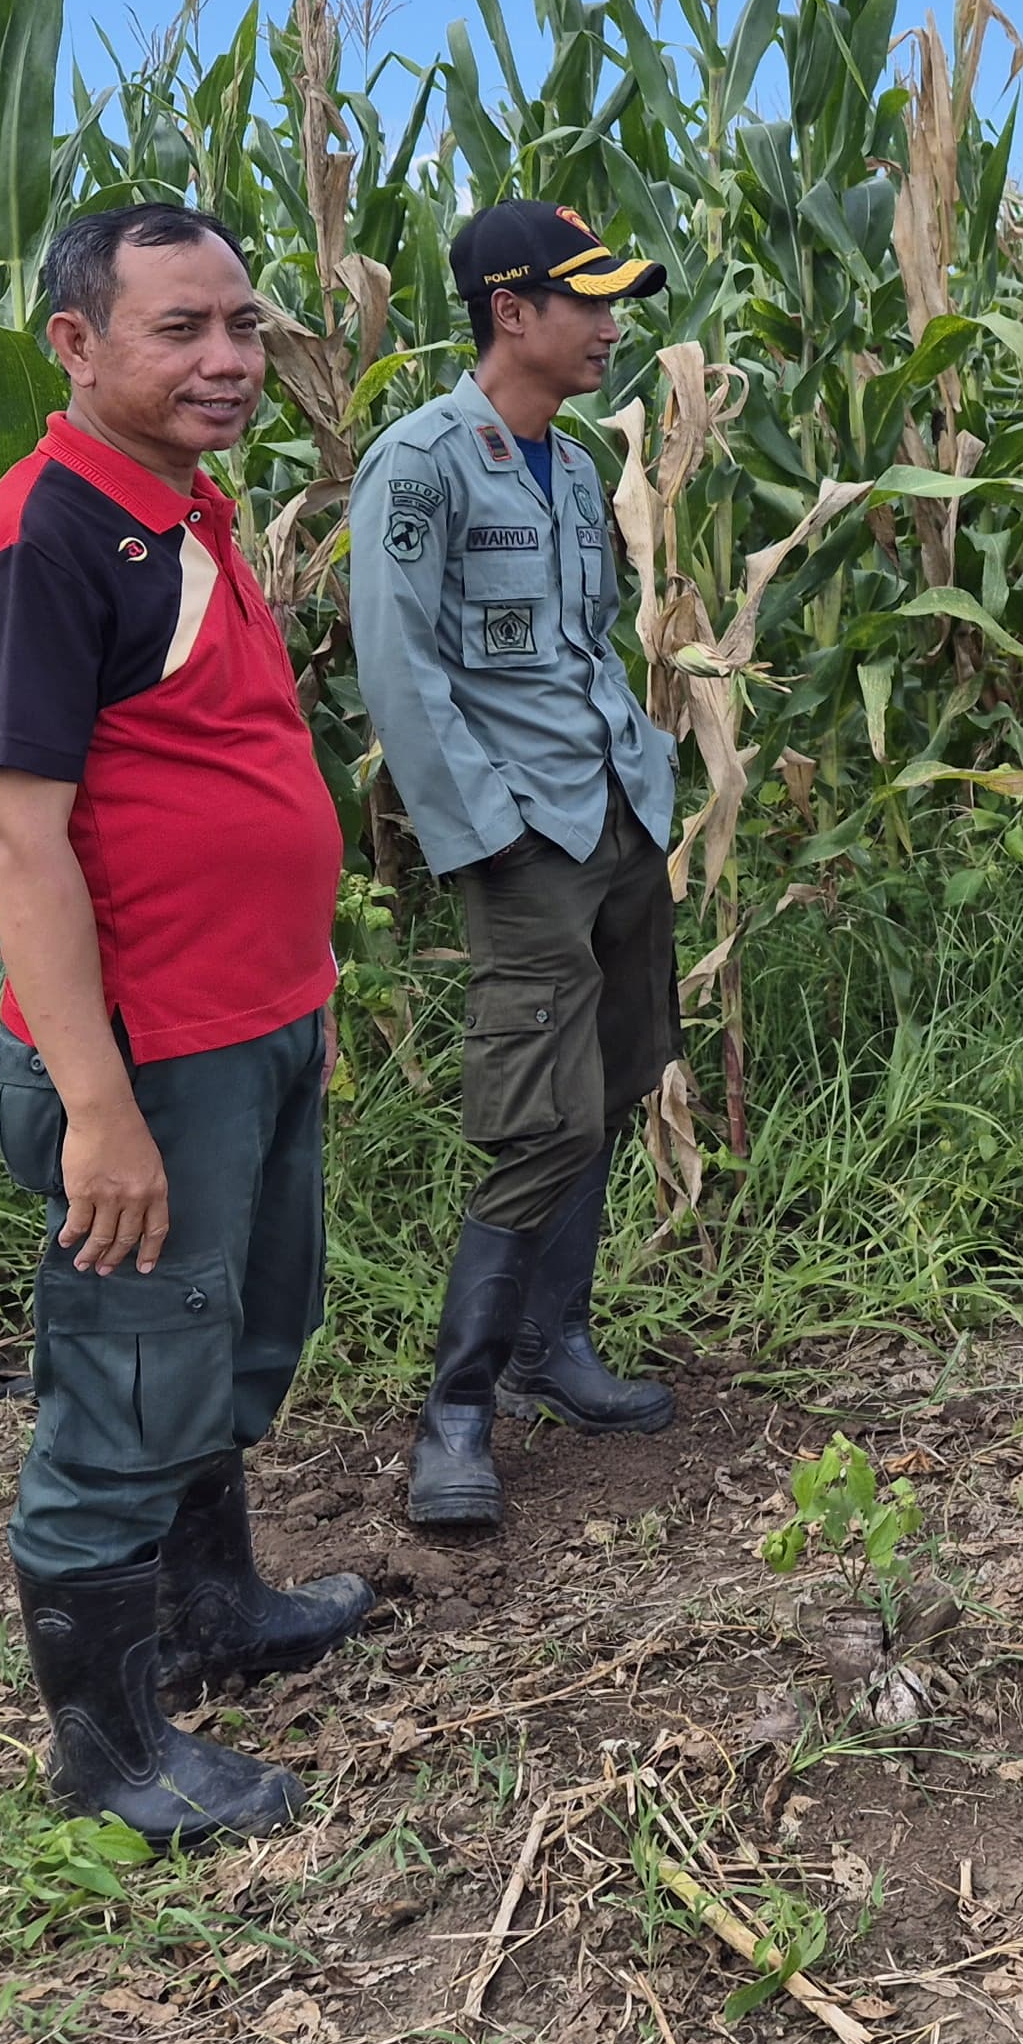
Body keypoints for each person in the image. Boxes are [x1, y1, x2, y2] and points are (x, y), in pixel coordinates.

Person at [0, 202, 368, 1847]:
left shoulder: (184, 515)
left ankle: (214, 1609)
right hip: (149, 1061)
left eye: (244, 326)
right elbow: (16, 839)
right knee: (126, 1387)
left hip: (252, 1030)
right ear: (75, 344)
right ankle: (109, 1750)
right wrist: (100, 1108)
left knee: (240, 1338)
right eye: (181, 329)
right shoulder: (37, 542)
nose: (231, 359)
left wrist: (301, 1005)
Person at [348, 201, 684, 1534]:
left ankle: (557, 1354)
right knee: (532, 1118)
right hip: (527, 838)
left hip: (612, 818)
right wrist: (496, 835)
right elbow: (402, 669)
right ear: (510, 311)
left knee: (605, 1089)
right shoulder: (424, 465)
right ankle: (457, 1413)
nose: (612, 327)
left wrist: (640, 789)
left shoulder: (573, 457)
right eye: (587, 302)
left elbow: (585, 647)